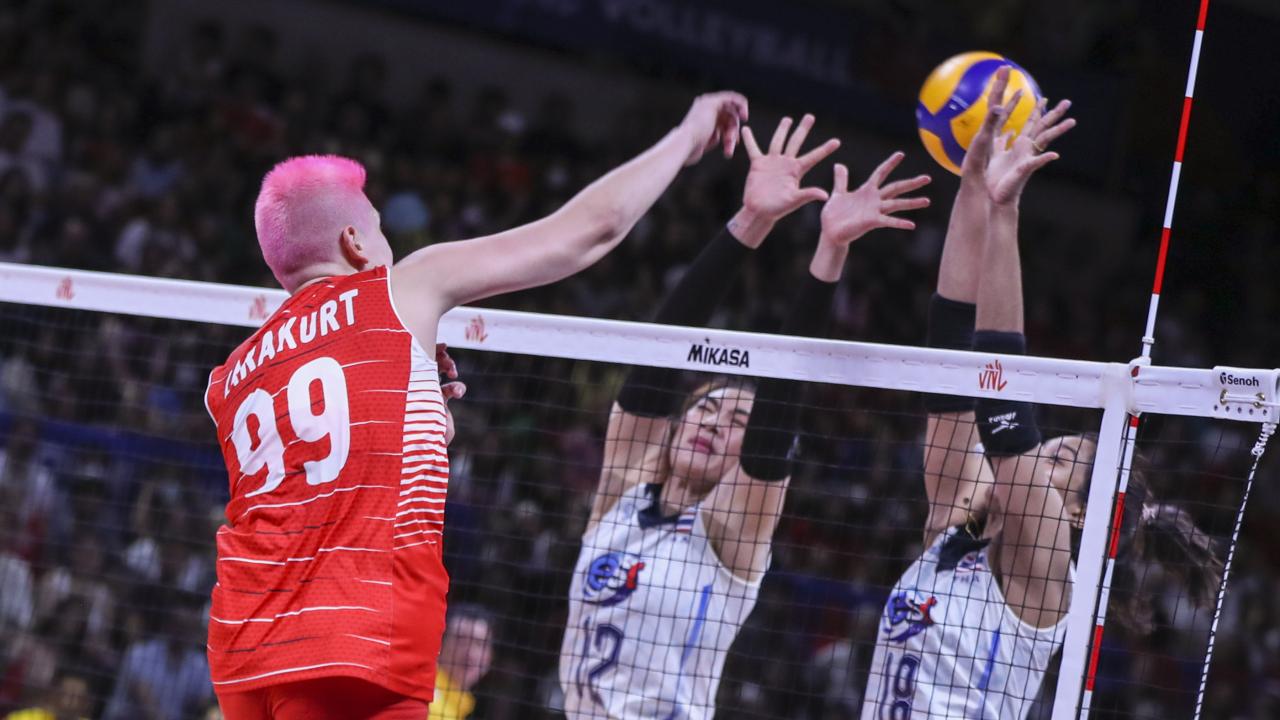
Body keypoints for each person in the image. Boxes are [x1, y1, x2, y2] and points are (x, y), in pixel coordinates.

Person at [203, 91, 750, 720]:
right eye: (382, 231)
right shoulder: (399, 288)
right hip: (351, 644)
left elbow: (314, 476)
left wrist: (420, 409)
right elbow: (588, 232)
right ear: (355, 242)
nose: (389, 247)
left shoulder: (231, 376)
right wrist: (686, 136)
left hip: (243, 652)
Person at [861, 68, 1223, 718]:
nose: (1033, 461)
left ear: (1078, 513)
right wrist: (973, 186)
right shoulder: (954, 524)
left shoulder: (1048, 571)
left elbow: (1002, 398)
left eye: (1055, 462)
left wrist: (1006, 213)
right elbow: (951, 356)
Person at [560, 113, 931, 719]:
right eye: (705, 408)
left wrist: (830, 250)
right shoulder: (622, 493)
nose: (713, 423)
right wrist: (751, 219)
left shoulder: (730, 532)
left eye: (735, 422)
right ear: (675, 427)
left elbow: (781, 402)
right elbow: (661, 351)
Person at [428, 604, 495, 720]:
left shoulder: (460, 705)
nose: (470, 653)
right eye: (461, 640)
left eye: (479, 644)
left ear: (490, 656)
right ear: (440, 644)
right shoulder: (427, 699)